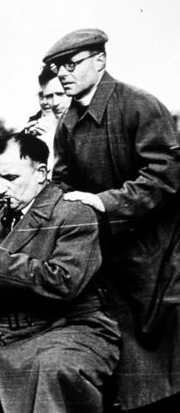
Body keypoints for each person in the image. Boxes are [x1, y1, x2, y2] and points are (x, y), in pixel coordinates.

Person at [45, 28, 180, 411]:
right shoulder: (70, 118)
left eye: (71, 65)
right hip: (111, 256)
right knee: (128, 367)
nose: (64, 75)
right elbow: (63, 179)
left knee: (165, 363)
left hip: (159, 256)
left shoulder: (139, 104)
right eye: (59, 68)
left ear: (101, 61)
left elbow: (165, 175)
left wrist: (104, 202)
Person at [0, 133, 121, 413]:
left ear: (42, 173)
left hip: (72, 330)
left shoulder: (73, 213)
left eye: (10, 178)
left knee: (51, 370)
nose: (0, 189)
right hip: (9, 335)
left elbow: (64, 282)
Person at [24, 66, 71, 170]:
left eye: (60, 94)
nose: (54, 103)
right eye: (47, 96)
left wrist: (52, 140)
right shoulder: (34, 126)